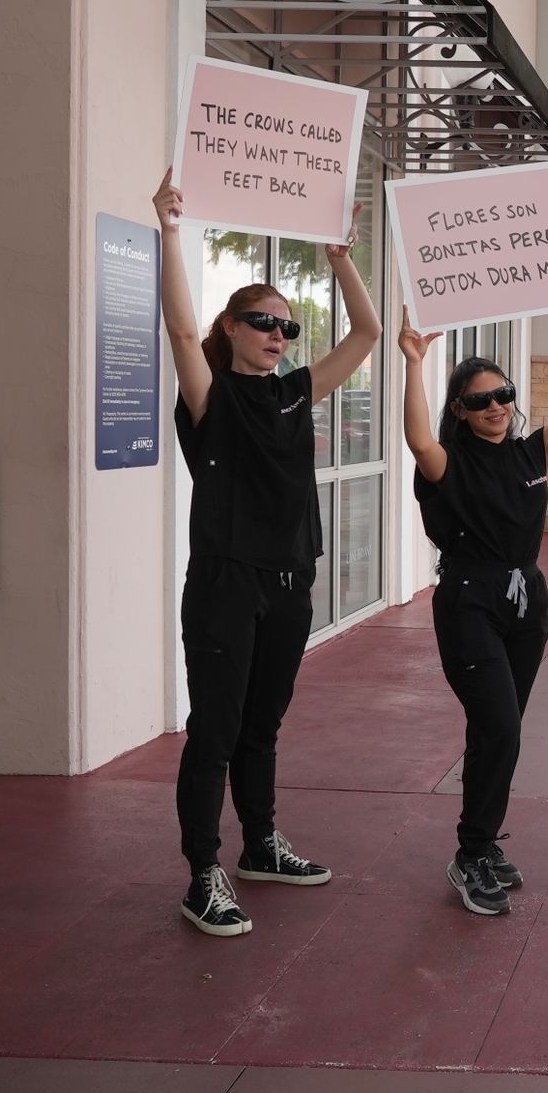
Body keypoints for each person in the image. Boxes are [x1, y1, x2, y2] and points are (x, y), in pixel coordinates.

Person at [155, 168, 382, 937]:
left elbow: (369, 335)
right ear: (231, 328)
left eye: (285, 326)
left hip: (290, 578)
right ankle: (203, 873)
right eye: (261, 321)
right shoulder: (211, 395)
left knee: (264, 723)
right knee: (215, 729)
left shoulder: (292, 393)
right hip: (225, 579)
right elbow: (182, 331)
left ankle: (259, 845)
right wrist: (171, 231)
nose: (277, 335)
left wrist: (341, 259)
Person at [398, 284, 548, 916]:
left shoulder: (531, 453)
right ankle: (470, 852)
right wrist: (413, 362)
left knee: (499, 734)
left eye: (504, 395)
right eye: (480, 400)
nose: (496, 406)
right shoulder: (447, 462)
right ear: (459, 409)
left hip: (525, 602)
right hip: (469, 599)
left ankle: (482, 845)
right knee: (500, 727)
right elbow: (416, 438)